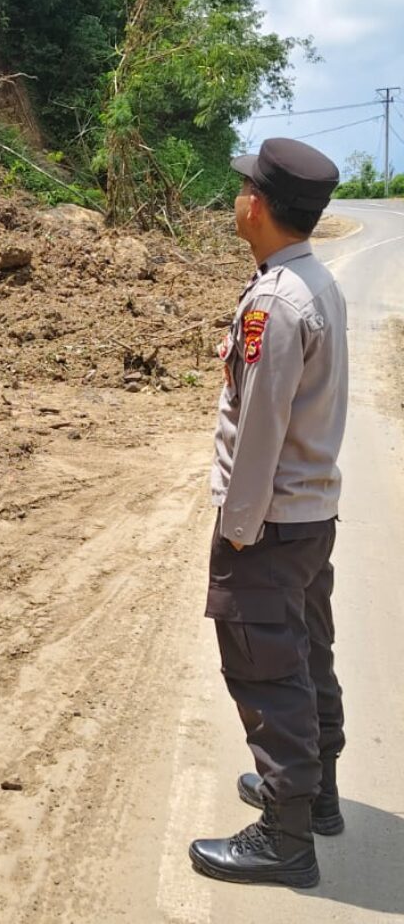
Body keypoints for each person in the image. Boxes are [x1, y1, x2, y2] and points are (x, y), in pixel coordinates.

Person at [189, 138, 347, 888]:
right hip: (309, 513)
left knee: (265, 667)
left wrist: (239, 531)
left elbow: (258, 430)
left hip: (272, 520)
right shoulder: (312, 282)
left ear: (257, 203)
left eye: (241, 186)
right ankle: (314, 797)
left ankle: (286, 837)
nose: (237, 196)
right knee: (307, 653)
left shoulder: (276, 304)